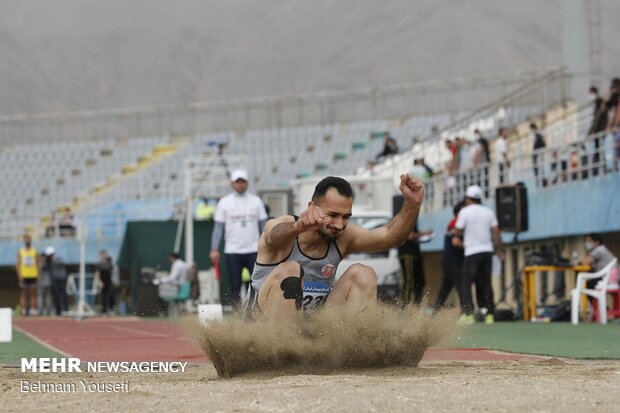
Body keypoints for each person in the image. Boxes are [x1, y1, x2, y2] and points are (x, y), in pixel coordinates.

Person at [245, 174, 424, 322]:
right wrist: (297, 228)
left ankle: (352, 353)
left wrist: (412, 205)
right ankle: (283, 353)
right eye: (332, 215)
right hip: (262, 327)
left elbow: (392, 236)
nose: (339, 225)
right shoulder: (284, 225)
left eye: (346, 216)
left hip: (311, 332)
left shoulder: (342, 238)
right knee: (291, 269)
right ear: (312, 207)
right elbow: (272, 238)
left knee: (363, 273)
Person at [210, 168, 268, 308]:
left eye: (243, 181)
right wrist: (214, 248)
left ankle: (255, 311)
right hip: (233, 250)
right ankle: (236, 315)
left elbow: (264, 226)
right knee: (234, 284)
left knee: (257, 283)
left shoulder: (256, 201)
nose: (240, 184)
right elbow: (218, 227)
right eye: (238, 181)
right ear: (232, 184)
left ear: (247, 183)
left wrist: (266, 246)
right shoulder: (224, 202)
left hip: (254, 249)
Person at [453, 185, 504, 324]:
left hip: (472, 251)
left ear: (468, 198)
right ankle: (490, 314)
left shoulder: (465, 211)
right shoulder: (488, 212)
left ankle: (468, 314)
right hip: (487, 251)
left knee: (466, 283)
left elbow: (457, 231)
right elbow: (496, 232)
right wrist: (500, 250)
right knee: (487, 283)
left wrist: (464, 234)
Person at [432, 201, 465, 313]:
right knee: (462, 285)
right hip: (452, 261)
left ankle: (435, 311)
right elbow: (456, 242)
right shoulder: (455, 223)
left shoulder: (458, 223)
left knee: (445, 288)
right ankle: (467, 311)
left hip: (451, 261)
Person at [399, 223, 432, 307]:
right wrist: (424, 234)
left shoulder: (414, 224)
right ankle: (405, 305)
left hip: (416, 255)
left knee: (420, 281)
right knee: (409, 281)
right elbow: (410, 236)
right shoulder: (405, 222)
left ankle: (417, 305)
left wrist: (423, 237)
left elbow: (414, 236)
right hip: (407, 255)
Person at [16, 234, 40, 316]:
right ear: (24, 241)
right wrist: (19, 275)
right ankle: (23, 311)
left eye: (28, 239)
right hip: (24, 275)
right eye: (26, 239)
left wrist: (38, 275)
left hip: (33, 274)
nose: (27, 241)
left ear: (31, 240)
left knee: (33, 293)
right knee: (23, 293)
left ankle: (33, 311)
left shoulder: (35, 251)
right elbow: (18, 264)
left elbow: (38, 263)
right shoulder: (20, 251)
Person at [42, 247, 68, 316]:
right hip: (54, 280)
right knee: (55, 295)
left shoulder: (58, 259)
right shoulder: (48, 262)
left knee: (63, 294)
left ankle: (65, 309)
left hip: (61, 279)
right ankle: (58, 310)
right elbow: (43, 267)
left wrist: (52, 260)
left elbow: (61, 264)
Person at [94, 250, 116, 315]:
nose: (104, 256)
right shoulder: (99, 264)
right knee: (104, 296)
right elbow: (97, 273)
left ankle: (111, 309)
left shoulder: (110, 263)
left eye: (105, 254)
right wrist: (99, 282)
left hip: (109, 282)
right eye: (102, 255)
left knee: (111, 295)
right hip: (103, 282)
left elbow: (113, 272)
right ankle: (104, 310)